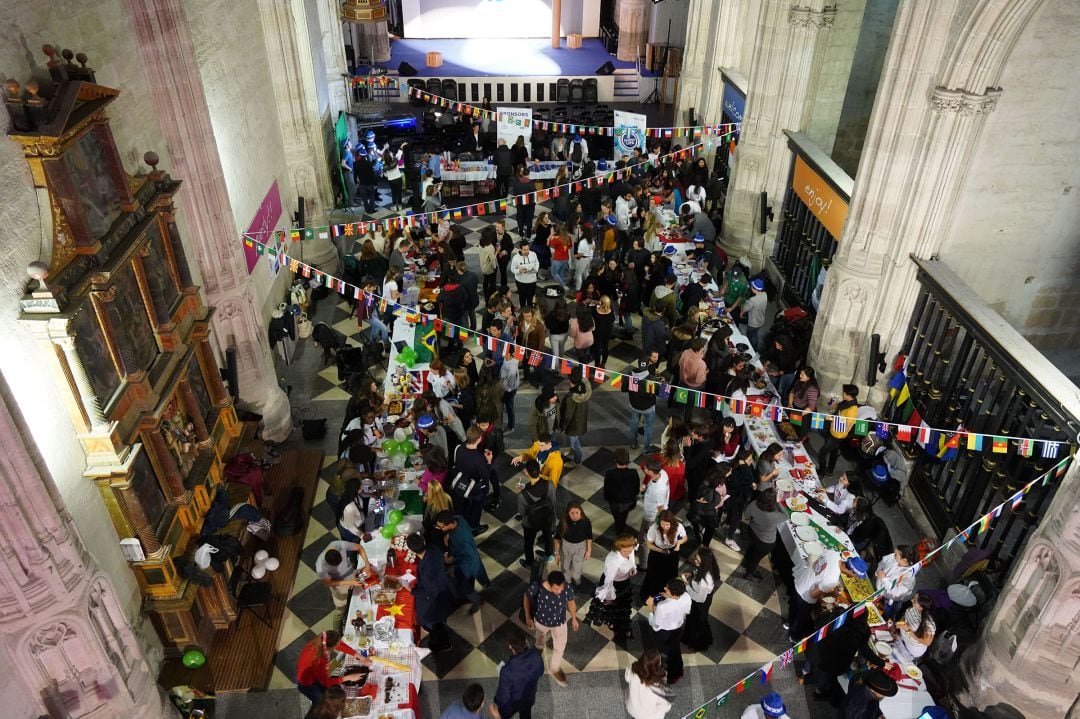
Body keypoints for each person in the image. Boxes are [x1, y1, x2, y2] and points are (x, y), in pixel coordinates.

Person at [522, 570, 579, 687]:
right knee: (539, 642)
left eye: (561, 588)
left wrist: (574, 618)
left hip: (560, 623)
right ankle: (539, 649)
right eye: (556, 589)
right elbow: (526, 596)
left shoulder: (566, 587)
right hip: (541, 622)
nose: (560, 591)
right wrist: (528, 617)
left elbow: (571, 602)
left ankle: (554, 668)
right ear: (549, 583)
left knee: (560, 646)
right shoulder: (537, 586)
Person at [584, 534, 638, 642]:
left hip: (624, 582)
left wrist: (633, 569)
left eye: (630, 550)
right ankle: (611, 621)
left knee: (623, 605)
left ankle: (622, 624)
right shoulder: (613, 561)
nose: (628, 553)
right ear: (618, 548)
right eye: (625, 551)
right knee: (611, 605)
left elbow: (632, 562)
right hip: (613, 584)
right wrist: (608, 597)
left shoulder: (630, 549)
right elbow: (608, 582)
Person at [434, 510, 489, 613]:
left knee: (463, 585)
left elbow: (470, 556)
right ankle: (465, 594)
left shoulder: (463, 539)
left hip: (467, 565)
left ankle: (477, 600)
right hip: (464, 560)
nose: (440, 529)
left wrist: (453, 559)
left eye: (441, 527)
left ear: (450, 524)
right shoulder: (458, 518)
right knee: (465, 582)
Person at [295, 631, 371, 705]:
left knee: (326, 692)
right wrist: (348, 678)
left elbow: (340, 645)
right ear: (331, 647)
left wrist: (361, 657)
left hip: (314, 676)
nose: (338, 645)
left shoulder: (321, 641)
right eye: (336, 645)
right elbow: (326, 682)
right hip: (307, 684)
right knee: (321, 703)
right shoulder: (319, 660)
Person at [408, 533, 453, 652]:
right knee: (437, 622)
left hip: (435, 600)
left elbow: (429, 591)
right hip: (443, 589)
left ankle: (443, 644)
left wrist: (412, 590)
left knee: (436, 624)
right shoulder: (434, 549)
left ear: (411, 550)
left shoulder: (427, 571)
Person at [451, 425, 497, 535]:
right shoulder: (479, 458)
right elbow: (486, 476)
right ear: (479, 439)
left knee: (465, 505)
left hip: (461, 483)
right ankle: (474, 527)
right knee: (476, 508)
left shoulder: (458, 448)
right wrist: (489, 461)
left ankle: (464, 521)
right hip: (474, 488)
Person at [789, 547, 842, 642]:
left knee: (793, 607)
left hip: (801, 581)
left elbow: (816, 566)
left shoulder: (833, 553)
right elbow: (813, 594)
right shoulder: (833, 579)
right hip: (805, 596)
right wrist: (830, 593)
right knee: (801, 617)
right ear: (851, 571)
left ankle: (789, 624)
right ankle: (794, 637)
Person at [646, 578, 692, 685]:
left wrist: (651, 608)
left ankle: (666, 675)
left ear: (673, 593)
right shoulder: (686, 597)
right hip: (679, 629)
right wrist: (669, 597)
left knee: (664, 654)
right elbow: (687, 610)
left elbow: (655, 625)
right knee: (675, 649)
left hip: (665, 634)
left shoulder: (663, 607)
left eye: (667, 589)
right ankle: (677, 671)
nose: (664, 588)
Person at [491, 629, 544, 719]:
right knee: (526, 715)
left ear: (510, 646)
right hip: (528, 698)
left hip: (512, 704)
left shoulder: (506, 671)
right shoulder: (536, 656)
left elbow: (503, 697)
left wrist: (496, 703)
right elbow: (541, 672)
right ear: (525, 641)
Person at [640, 510, 688, 603]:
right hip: (657, 553)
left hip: (673, 553)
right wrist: (660, 550)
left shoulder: (678, 527)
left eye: (667, 524)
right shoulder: (654, 528)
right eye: (663, 524)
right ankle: (653, 595)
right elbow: (649, 544)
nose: (665, 527)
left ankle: (669, 594)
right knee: (654, 574)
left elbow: (685, 538)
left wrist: (678, 544)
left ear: (672, 523)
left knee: (670, 574)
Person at [739, 488, 786, 581]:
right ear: (772, 502)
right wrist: (778, 502)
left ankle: (746, 562)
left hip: (752, 532)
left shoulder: (754, 504)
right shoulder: (774, 515)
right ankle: (749, 573)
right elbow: (786, 516)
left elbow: (747, 516)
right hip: (766, 541)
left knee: (752, 549)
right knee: (756, 558)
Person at [681, 547, 720, 652]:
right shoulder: (708, 568)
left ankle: (695, 642)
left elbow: (699, 599)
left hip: (700, 603)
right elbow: (699, 571)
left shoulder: (704, 583)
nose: (695, 561)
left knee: (696, 621)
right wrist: (692, 574)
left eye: (698, 561)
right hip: (704, 598)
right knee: (699, 620)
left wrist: (686, 586)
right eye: (696, 558)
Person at [517, 460, 555, 568]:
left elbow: (522, 512)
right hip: (547, 518)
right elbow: (553, 502)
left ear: (526, 472)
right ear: (539, 470)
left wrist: (522, 492)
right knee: (548, 536)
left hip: (530, 523)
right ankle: (549, 555)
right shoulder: (549, 485)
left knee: (528, 543)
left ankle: (530, 562)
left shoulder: (522, 495)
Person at [316, 541, 370, 612]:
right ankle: (339, 621)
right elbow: (327, 583)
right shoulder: (320, 567)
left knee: (359, 600)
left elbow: (360, 548)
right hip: (338, 584)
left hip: (351, 574)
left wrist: (367, 565)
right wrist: (349, 582)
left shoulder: (340, 545)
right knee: (341, 608)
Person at [819, 384, 860, 475]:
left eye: (844, 393)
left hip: (837, 436)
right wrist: (834, 405)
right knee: (834, 452)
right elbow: (839, 411)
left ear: (849, 395)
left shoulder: (852, 410)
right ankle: (830, 470)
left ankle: (821, 472)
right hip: (833, 430)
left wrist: (831, 419)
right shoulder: (846, 403)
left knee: (822, 453)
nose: (842, 393)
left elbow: (846, 428)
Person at [623, 649, 672, 719]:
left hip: (632, 707)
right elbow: (665, 706)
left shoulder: (633, 668)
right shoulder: (659, 684)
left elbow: (627, 678)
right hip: (649, 716)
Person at [604, 447, 641, 535]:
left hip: (615, 503)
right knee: (624, 515)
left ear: (615, 460)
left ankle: (619, 531)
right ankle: (622, 525)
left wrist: (609, 499)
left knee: (618, 519)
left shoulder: (610, 473)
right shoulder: (633, 472)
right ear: (628, 459)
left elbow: (606, 491)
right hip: (630, 502)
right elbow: (636, 489)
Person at [554, 502, 592, 586]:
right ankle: (567, 583)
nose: (575, 515)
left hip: (580, 547)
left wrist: (589, 550)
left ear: (580, 512)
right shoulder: (563, 522)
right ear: (568, 513)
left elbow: (589, 537)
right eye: (572, 513)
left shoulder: (586, 522)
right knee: (565, 566)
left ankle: (577, 582)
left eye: (577, 513)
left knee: (576, 568)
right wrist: (556, 553)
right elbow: (557, 538)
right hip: (566, 546)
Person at [876, 544, 919, 619]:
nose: (893, 555)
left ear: (904, 560)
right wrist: (878, 570)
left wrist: (884, 579)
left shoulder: (909, 577)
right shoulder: (894, 557)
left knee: (884, 617)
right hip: (878, 592)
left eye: (896, 554)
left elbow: (897, 593)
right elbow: (883, 562)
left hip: (889, 601)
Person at [893, 593, 936, 663]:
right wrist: (899, 624)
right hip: (901, 639)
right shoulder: (913, 608)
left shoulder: (929, 624)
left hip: (912, 650)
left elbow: (927, 642)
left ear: (921, 607)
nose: (911, 600)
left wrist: (908, 630)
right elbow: (905, 617)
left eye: (915, 601)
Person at [559, 376, 591, 468]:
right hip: (580, 420)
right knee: (574, 440)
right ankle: (572, 450)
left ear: (571, 381)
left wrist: (563, 426)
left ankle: (577, 460)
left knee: (575, 442)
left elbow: (568, 415)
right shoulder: (584, 389)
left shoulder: (571, 398)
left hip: (573, 424)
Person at [640, 459, 670, 556]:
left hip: (652, 516)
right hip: (653, 509)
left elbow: (660, 509)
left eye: (646, 469)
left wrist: (658, 523)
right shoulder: (662, 472)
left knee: (644, 539)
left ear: (652, 472)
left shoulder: (658, 490)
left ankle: (644, 563)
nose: (644, 469)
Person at [510, 241, 540, 309]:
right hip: (521, 282)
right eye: (524, 250)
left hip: (532, 281)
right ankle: (522, 310)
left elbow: (537, 263)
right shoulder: (516, 258)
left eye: (527, 249)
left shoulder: (533, 254)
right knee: (522, 297)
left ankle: (530, 311)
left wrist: (535, 269)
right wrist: (519, 270)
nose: (526, 251)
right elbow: (512, 269)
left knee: (530, 297)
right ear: (520, 249)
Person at [741, 278, 768, 351]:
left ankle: (752, 349)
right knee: (754, 334)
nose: (751, 287)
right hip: (761, 321)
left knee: (751, 336)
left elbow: (745, 309)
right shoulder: (765, 295)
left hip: (753, 323)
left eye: (752, 286)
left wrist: (744, 305)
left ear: (754, 289)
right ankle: (755, 349)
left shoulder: (753, 300)